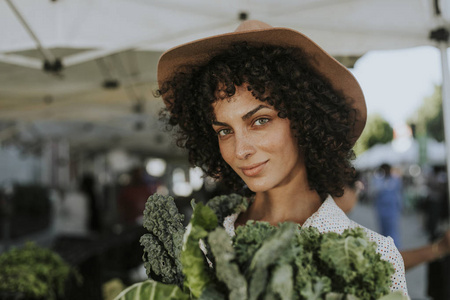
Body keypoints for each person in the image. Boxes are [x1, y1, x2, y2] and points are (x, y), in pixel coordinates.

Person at [157, 20, 408, 296]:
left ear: (305, 119)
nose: (240, 150)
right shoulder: (203, 245)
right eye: (225, 131)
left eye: (260, 120)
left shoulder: (377, 258)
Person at [335, 178, 450, 271]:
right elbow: (382, 264)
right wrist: (439, 248)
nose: (356, 194)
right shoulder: (334, 229)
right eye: (354, 189)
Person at [370, 163, 403, 248]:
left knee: (392, 230)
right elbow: (375, 191)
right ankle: (385, 248)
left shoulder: (395, 180)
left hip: (392, 209)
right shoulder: (378, 180)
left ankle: (395, 248)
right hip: (381, 209)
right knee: (383, 230)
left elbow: (399, 194)